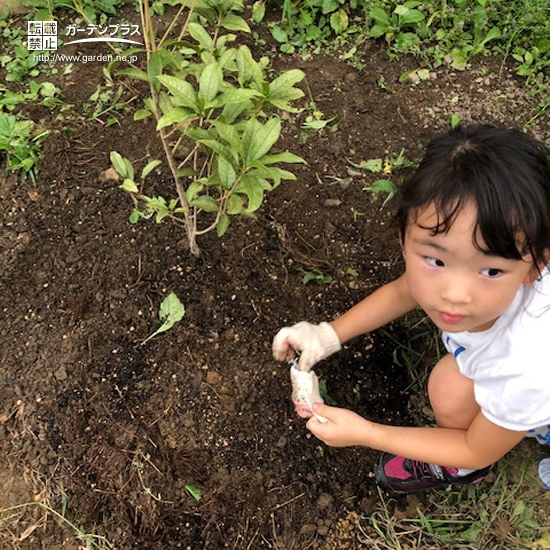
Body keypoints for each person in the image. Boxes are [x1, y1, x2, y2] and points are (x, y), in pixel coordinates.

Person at [272, 124, 550, 493]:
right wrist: (328, 335)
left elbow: (474, 448)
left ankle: (463, 471)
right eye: (436, 261)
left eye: (491, 270)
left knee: (450, 390)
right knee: (452, 384)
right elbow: (406, 290)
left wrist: (367, 432)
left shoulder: (527, 367)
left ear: (536, 266)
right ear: (402, 237)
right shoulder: (498, 273)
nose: (453, 293)